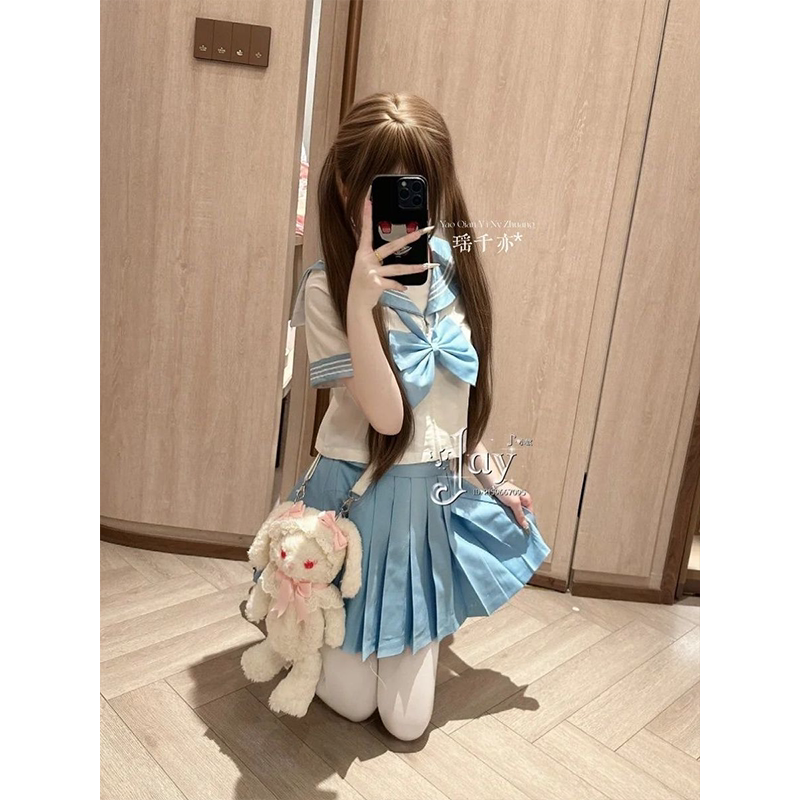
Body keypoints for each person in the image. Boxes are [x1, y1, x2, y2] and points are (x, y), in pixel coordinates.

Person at [254, 92, 550, 741]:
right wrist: (361, 307)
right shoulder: (325, 289)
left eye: (418, 187)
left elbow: (452, 412)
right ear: (345, 185)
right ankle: (307, 621)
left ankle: (404, 623)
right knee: (355, 703)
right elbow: (389, 420)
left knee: (407, 722)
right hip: (355, 510)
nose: (403, 207)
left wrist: (495, 482)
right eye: (384, 188)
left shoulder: (451, 272)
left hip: (426, 509)